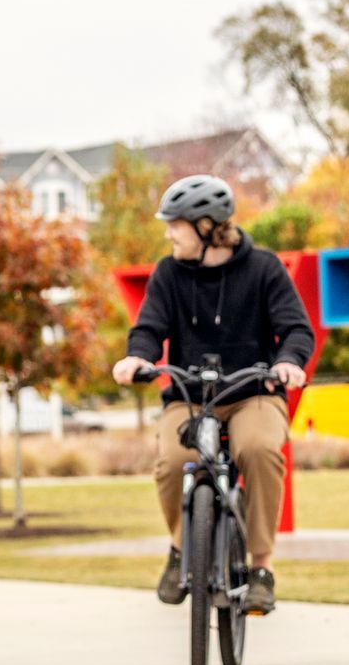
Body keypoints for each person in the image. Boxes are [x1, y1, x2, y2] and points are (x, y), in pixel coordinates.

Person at [112, 174, 314, 614]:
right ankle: (182, 550)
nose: (168, 234)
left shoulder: (264, 268)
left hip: (252, 390)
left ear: (206, 226)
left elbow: (296, 328)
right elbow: (149, 327)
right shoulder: (168, 273)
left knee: (259, 449)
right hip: (189, 395)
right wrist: (137, 358)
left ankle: (261, 567)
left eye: (175, 224)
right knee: (171, 463)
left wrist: (289, 361)